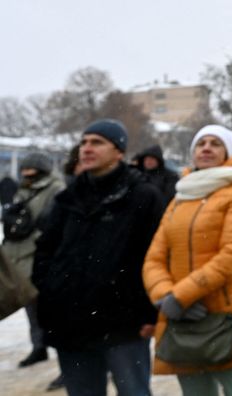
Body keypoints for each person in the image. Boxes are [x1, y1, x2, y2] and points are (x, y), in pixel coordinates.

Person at [33, 119, 164, 396]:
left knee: (134, 392)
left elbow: (157, 256)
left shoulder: (142, 196)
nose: (87, 148)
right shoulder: (67, 199)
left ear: (119, 151)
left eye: (97, 142)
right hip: (70, 323)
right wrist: (50, 292)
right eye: (84, 142)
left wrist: (149, 312)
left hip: (125, 325)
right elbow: (44, 251)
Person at [144, 124, 232, 396]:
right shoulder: (182, 196)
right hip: (181, 319)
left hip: (226, 319)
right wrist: (165, 296)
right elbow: (154, 258)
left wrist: (181, 296)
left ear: (229, 152)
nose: (206, 148)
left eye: (215, 143)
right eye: (201, 143)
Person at [1, 152, 66, 369]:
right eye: (24, 169)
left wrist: (38, 234)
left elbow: (52, 221)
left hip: (40, 253)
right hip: (17, 253)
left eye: (30, 169)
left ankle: (63, 353)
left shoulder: (55, 188)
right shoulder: (22, 189)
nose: (25, 172)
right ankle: (38, 347)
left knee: (48, 307)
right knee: (29, 304)